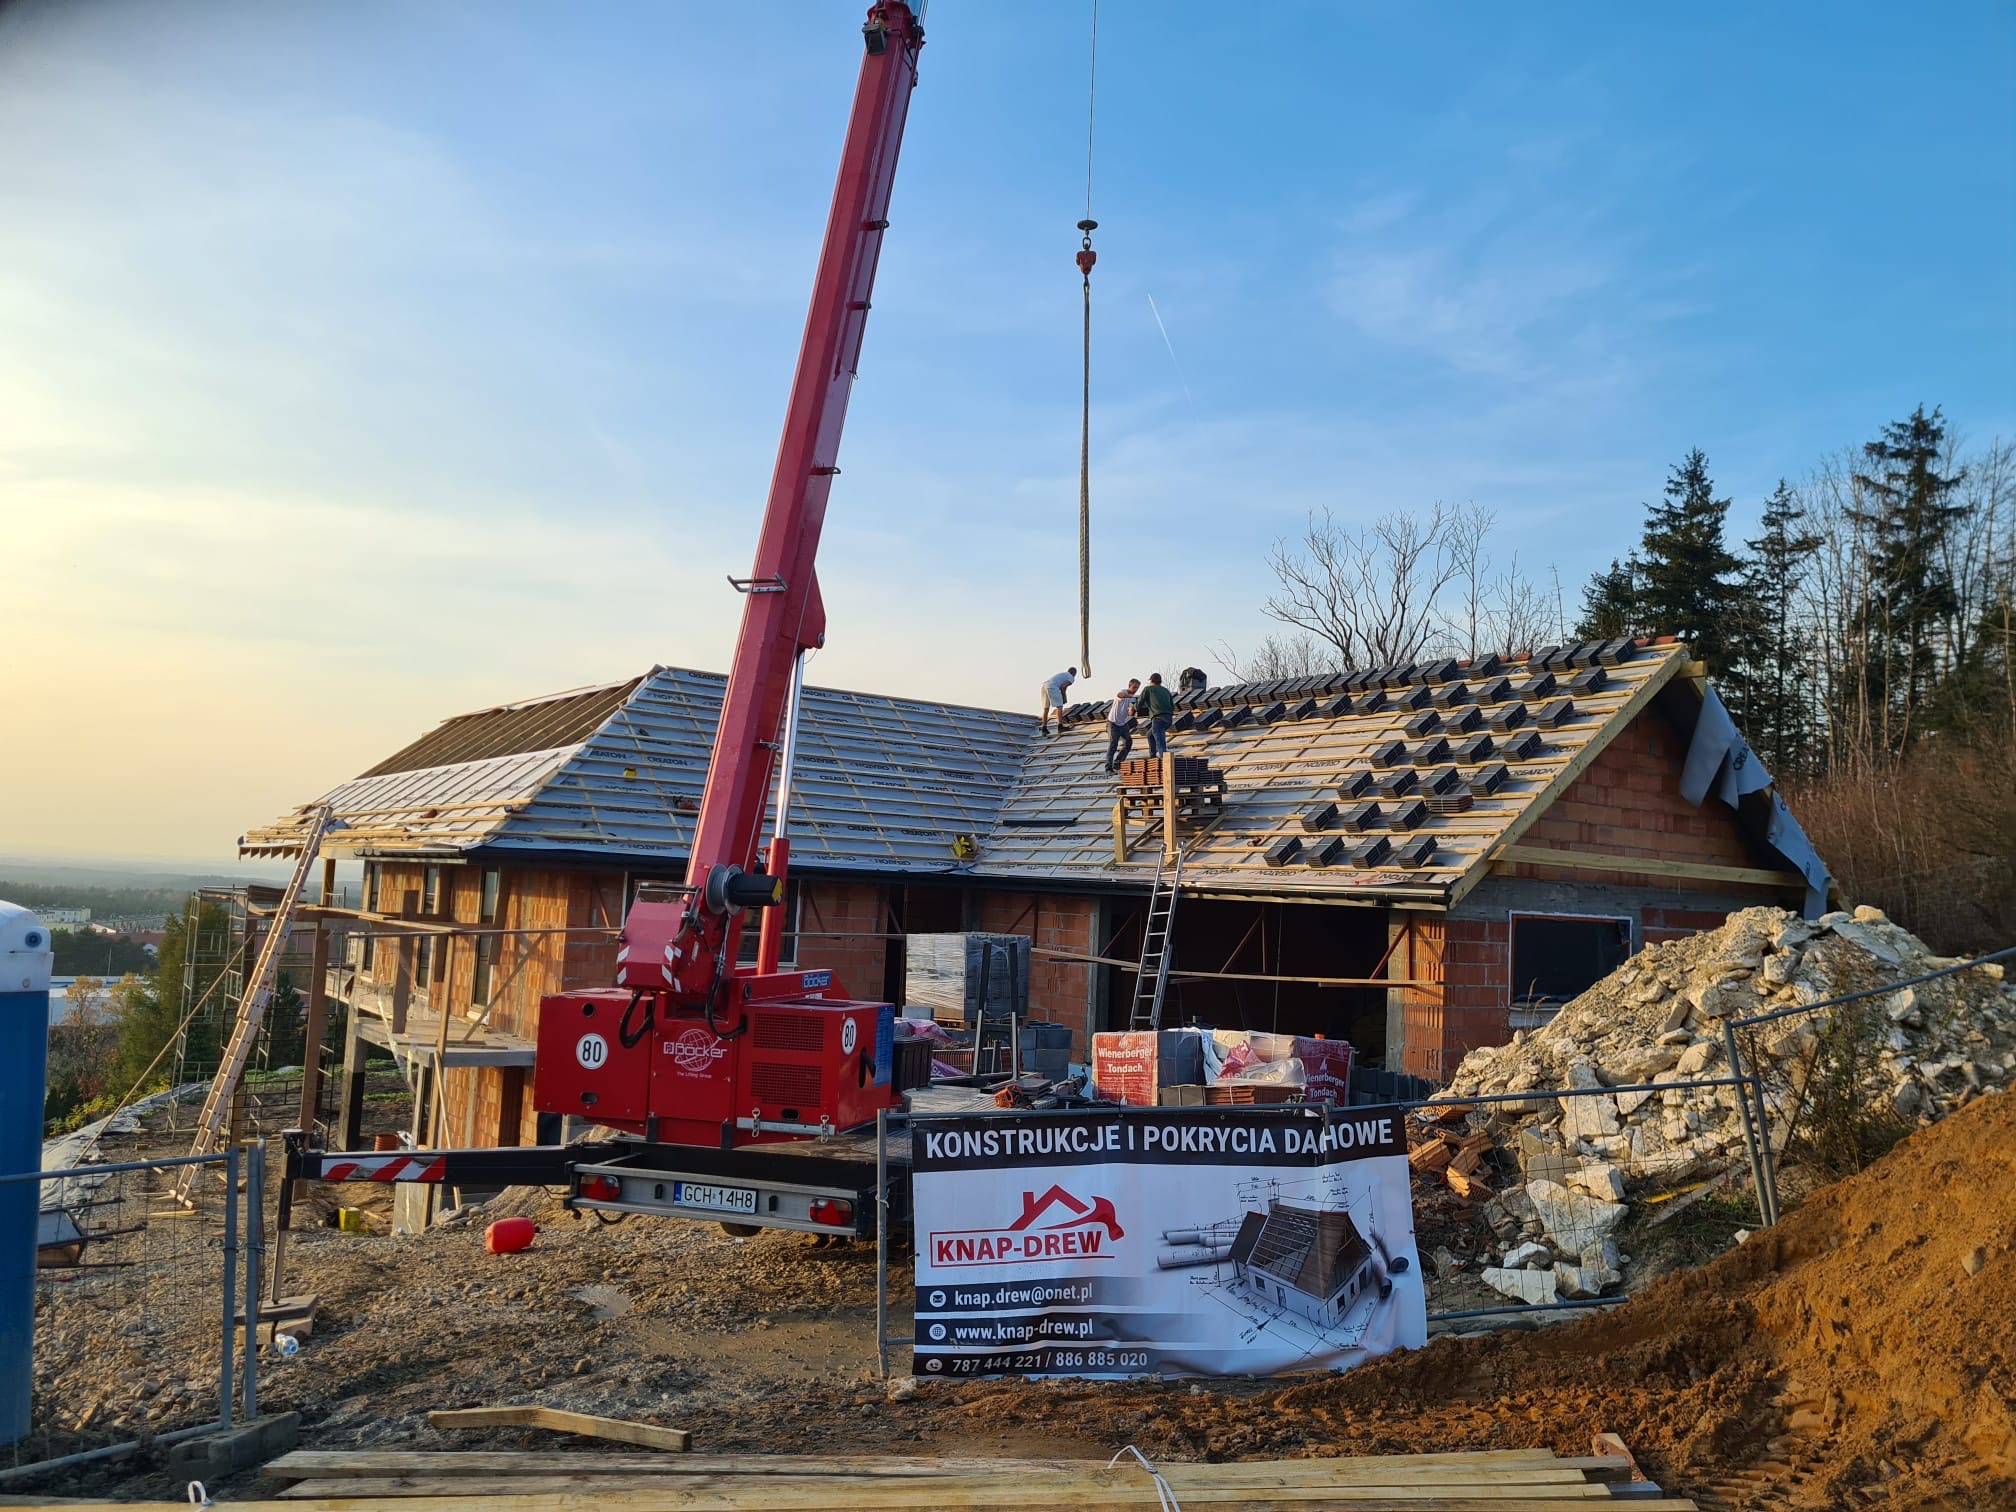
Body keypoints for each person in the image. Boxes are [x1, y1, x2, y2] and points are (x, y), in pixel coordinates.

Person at [1104, 678, 1141, 773]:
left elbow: (1130, 713)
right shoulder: (1123, 692)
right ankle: (1108, 767)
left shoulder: (1132, 699)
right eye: (1134, 687)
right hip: (1112, 723)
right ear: (1129, 686)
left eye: (1137, 688)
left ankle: (1118, 762)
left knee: (1128, 742)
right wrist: (1130, 696)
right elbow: (1119, 695)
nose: (1135, 689)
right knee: (1113, 744)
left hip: (1122, 724)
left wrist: (1134, 708)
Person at [1136, 671, 1176, 757]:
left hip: (1158, 719)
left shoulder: (1148, 689)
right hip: (1168, 720)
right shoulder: (1166, 691)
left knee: (1161, 746)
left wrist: (1133, 709)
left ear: (1151, 681)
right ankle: (1152, 757)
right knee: (1150, 735)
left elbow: (1139, 703)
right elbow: (1173, 707)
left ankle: (1166, 765)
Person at [1039, 667, 1077, 736]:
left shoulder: (1063, 674)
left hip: (1044, 686)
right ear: (1074, 673)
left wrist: (1063, 696)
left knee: (1046, 708)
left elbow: (1062, 686)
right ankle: (1060, 726)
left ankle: (1044, 728)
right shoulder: (1071, 677)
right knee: (1059, 706)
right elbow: (1063, 687)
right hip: (1052, 686)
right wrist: (1064, 697)